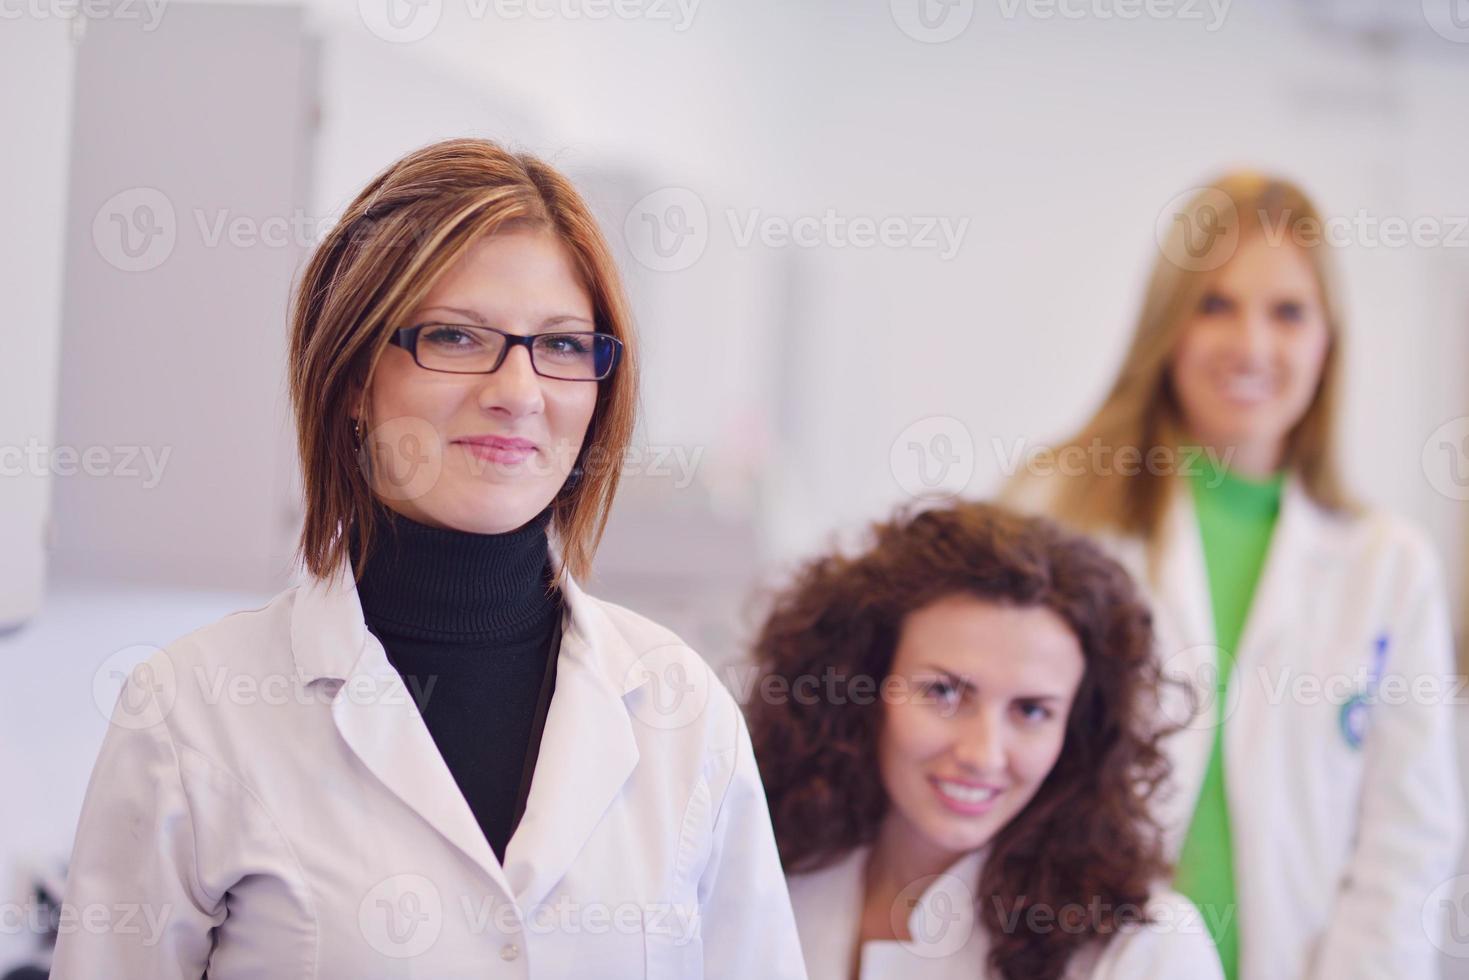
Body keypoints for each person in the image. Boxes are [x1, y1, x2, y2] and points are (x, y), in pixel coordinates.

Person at [52, 137, 807, 979]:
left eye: (560, 346)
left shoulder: (679, 708)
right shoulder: (195, 711)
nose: (518, 392)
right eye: (454, 336)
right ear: (349, 379)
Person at [1006, 173, 1462, 979]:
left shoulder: (1386, 566)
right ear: (1167, 326)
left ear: (1327, 340)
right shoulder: (1055, 509)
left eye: (1287, 312)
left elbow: (1407, 840)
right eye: (1213, 304)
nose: (1250, 344)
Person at [748, 501, 1224, 980]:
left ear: (1077, 732)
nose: (983, 754)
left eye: (1032, 711)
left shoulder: (1144, 950)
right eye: (945, 693)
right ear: (863, 684)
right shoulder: (770, 881)